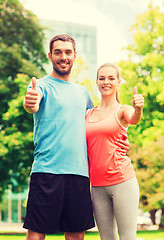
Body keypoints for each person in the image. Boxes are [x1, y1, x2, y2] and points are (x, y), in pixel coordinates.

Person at [23, 35, 129, 240]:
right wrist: (30, 103)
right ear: (50, 55)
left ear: (74, 56)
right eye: (58, 52)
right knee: (36, 234)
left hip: (79, 175)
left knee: (76, 235)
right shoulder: (40, 86)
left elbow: (96, 127)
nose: (63, 57)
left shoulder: (83, 94)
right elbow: (32, 104)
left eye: (68, 52)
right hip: (47, 171)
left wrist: (120, 141)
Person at [85, 63, 144, 240]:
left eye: (111, 78)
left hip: (122, 182)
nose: (106, 82)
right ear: (96, 82)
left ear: (118, 82)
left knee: (127, 237)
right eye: (102, 78)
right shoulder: (88, 114)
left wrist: (138, 108)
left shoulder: (122, 110)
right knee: (107, 238)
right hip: (97, 186)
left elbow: (133, 118)